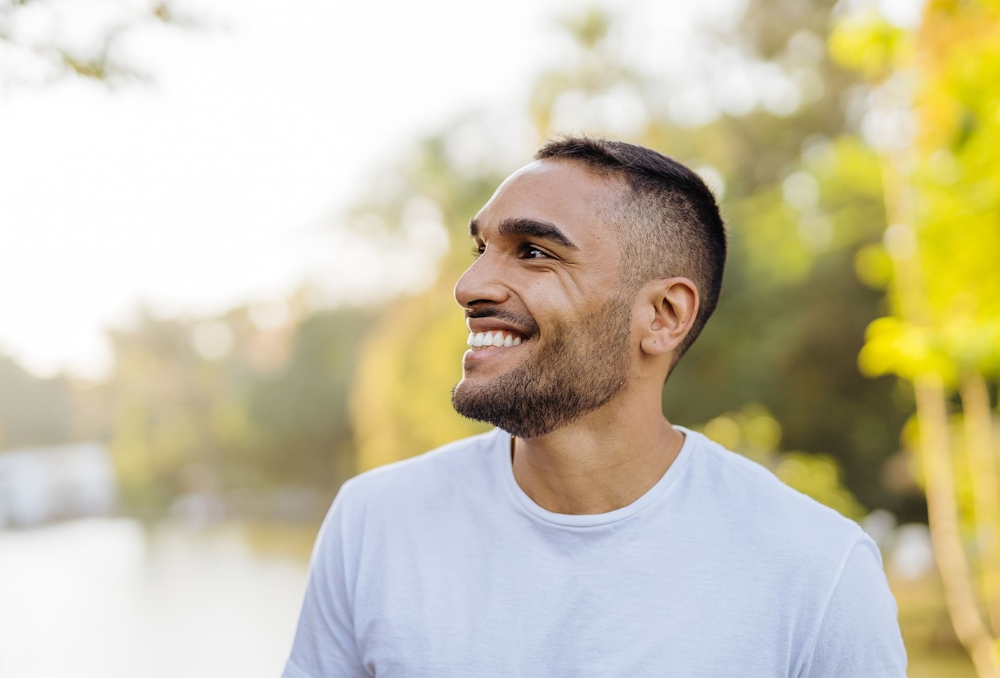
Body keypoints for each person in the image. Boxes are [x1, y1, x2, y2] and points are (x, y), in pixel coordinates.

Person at [282, 137, 907, 677]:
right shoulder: (374, 523)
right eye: (482, 249)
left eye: (533, 252)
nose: (469, 287)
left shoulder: (817, 571)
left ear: (663, 316)